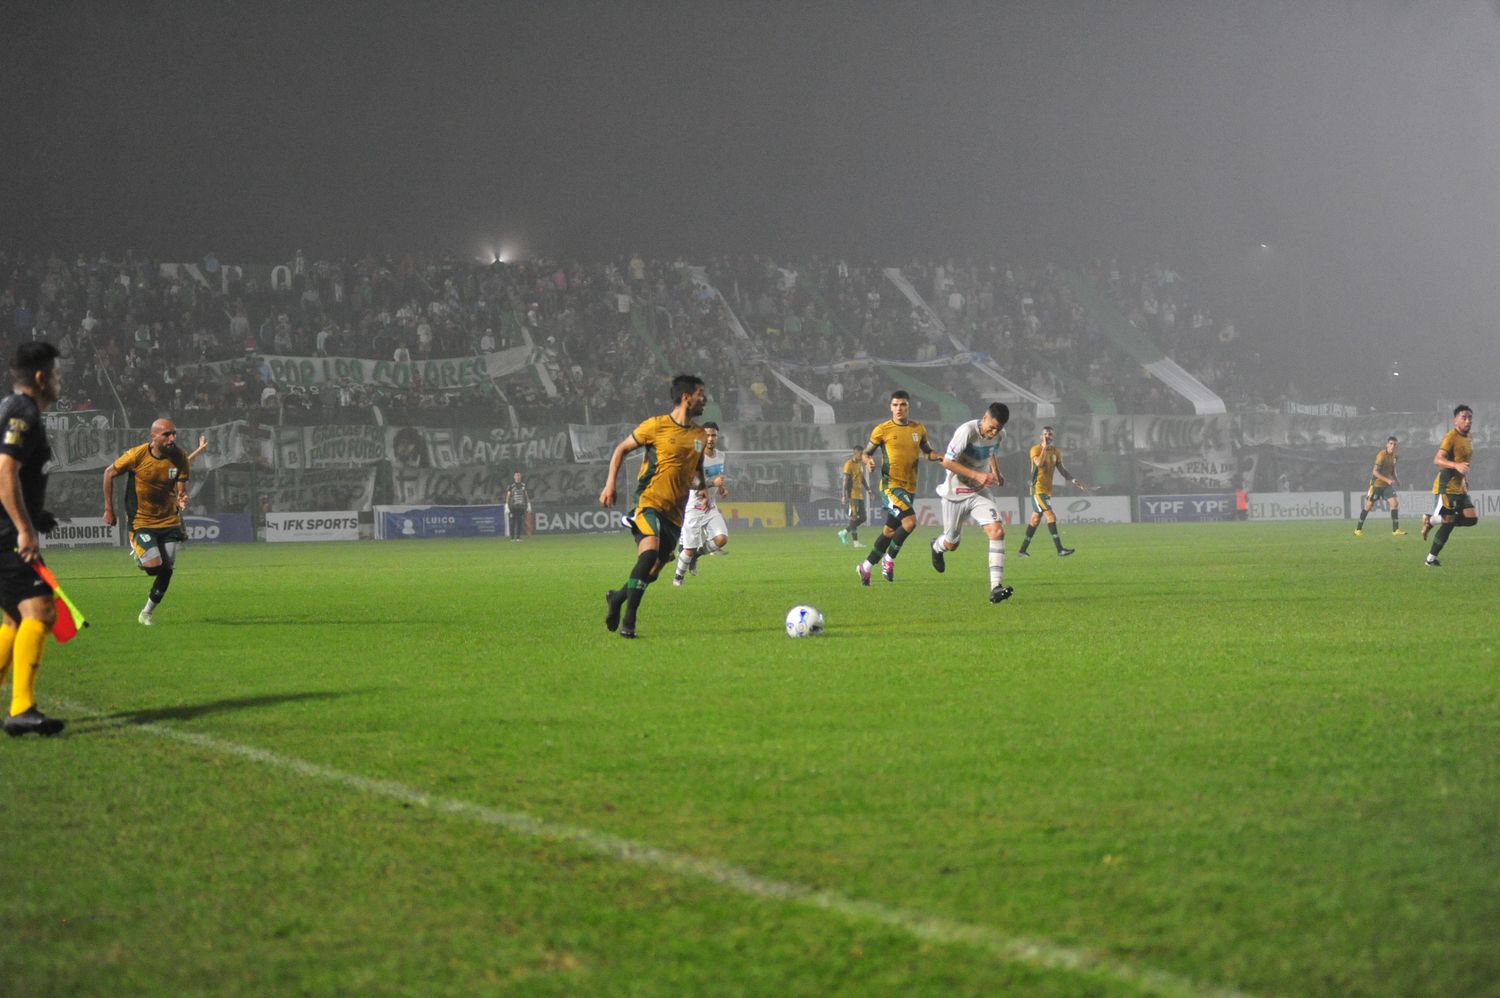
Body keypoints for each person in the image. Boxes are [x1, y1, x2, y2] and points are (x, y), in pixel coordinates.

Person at [599, 374, 708, 638]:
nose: (704, 399)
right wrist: (610, 484)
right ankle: (629, 620)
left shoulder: (699, 435)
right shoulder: (656, 425)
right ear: (686, 397)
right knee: (647, 555)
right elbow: (621, 449)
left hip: (675, 514)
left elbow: (696, 470)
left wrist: (701, 487)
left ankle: (617, 597)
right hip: (649, 502)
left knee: (654, 571)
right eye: (700, 394)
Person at [0, 342, 67, 736]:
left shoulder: (8, 408)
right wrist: (24, 528)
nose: (60, 382)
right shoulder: (23, 412)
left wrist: (37, 515)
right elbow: (6, 471)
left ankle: (22, 706)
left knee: (14, 617)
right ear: (41, 378)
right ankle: (22, 708)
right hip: (6, 532)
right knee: (40, 611)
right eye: (57, 374)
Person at [103, 418, 191, 626]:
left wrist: (182, 498)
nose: (172, 438)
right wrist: (109, 508)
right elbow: (109, 473)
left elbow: (181, 490)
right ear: (153, 437)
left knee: (167, 569)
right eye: (167, 434)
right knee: (154, 567)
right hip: (142, 520)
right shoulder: (137, 455)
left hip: (169, 520)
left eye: (174, 433)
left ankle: (146, 612)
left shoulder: (180, 457)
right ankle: (141, 555)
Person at [929, 402, 1015, 604]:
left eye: (998, 429)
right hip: (956, 491)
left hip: (979, 491)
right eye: (991, 427)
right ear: (984, 418)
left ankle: (995, 587)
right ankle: (936, 546)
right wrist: (978, 474)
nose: (994, 432)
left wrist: (995, 472)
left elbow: (991, 450)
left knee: (997, 531)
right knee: (952, 543)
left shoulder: (999, 435)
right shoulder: (966, 431)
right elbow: (947, 461)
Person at [855, 390, 943, 585]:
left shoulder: (918, 429)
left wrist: (938, 456)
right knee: (910, 522)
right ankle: (889, 559)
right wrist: (868, 461)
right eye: (895, 405)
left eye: (902, 405)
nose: (899, 408)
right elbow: (865, 453)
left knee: (888, 532)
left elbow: (927, 452)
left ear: (908, 407)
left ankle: (866, 567)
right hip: (890, 487)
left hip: (910, 488)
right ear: (890, 407)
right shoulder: (882, 429)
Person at [672, 422, 727, 587]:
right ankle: (678, 579)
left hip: (710, 507)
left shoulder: (721, 455)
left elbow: (719, 476)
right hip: (693, 508)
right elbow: (689, 483)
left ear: (717, 437)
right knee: (688, 549)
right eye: (707, 435)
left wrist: (722, 489)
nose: (710, 438)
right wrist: (711, 483)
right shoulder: (694, 457)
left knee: (721, 539)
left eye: (713, 435)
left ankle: (697, 555)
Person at [1017, 425, 1085, 557]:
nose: (1048, 436)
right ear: (1041, 436)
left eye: (1050, 434)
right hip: (1037, 489)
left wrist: (1073, 480)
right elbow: (1039, 464)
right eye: (1046, 434)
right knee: (1051, 516)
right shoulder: (1035, 449)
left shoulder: (1056, 452)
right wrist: (1044, 448)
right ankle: (1060, 549)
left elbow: (1062, 469)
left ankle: (1022, 550)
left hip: (1047, 491)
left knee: (1035, 519)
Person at [1424, 404, 1477, 567]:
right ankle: (1430, 560)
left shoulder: (1469, 438)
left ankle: (1431, 520)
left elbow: (1464, 462)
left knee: (1471, 519)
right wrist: (1456, 466)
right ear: (1455, 420)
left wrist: (1463, 478)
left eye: (1470, 418)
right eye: (1464, 417)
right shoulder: (1450, 437)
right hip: (1445, 487)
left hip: (1459, 486)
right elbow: (1437, 460)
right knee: (1449, 523)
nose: (1468, 421)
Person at [1354, 436, 1405, 536]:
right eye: (1391, 444)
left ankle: (1395, 530)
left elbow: (1392, 469)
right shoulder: (1381, 455)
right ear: (1387, 444)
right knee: (1368, 506)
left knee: (1394, 503)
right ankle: (1358, 529)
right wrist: (1387, 479)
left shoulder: (1395, 456)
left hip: (1386, 485)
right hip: (1376, 485)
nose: (1393, 446)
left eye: (1395, 444)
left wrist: (1396, 479)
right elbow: (1375, 472)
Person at [836, 445, 867, 546]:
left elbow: (862, 478)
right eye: (860, 453)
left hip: (859, 495)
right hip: (852, 495)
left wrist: (869, 489)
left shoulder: (860, 464)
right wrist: (844, 495)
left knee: (863, 517)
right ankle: (856, 543)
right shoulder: (848, 464)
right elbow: (845, 480)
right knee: (853, 517)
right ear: (855, 453)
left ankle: (844, 532)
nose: (862, 455)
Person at [505, 470, 532, 542]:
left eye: (519, 475)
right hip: (513, 506)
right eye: (516, 475)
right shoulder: (511, 486)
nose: (517, 477)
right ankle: (512, 538)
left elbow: (526, 496)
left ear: (521, 476)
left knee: (519, 522)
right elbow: (508, 496)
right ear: (514, 477)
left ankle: (518, 537)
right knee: (512, 522)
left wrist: (529, 504)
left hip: (521, 506)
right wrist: (506, 506)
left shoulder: (523, 485)